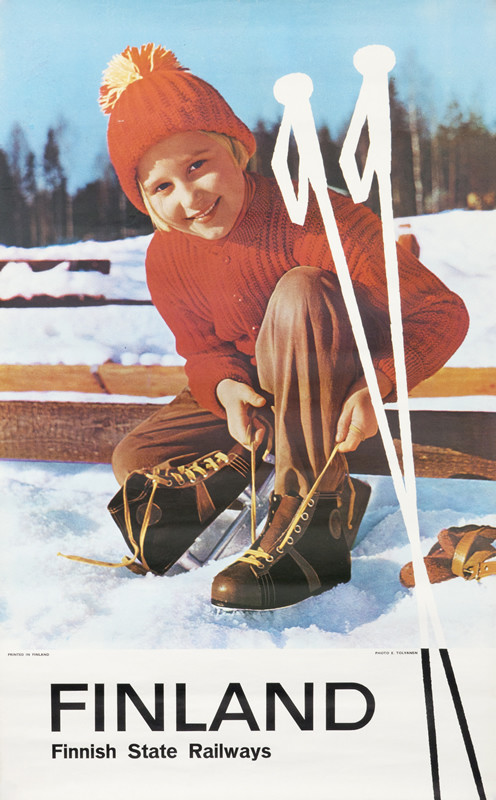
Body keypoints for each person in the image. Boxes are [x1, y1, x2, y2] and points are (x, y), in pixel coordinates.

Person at [100, 43, 469, 610]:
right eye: (162, 187)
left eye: (198, 165)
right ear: (144, 200)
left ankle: (313, 519)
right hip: (264, 394)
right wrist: (226, 388)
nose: (190, 197)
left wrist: (378, 383)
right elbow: (204, 350)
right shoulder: (166, 256)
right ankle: (258, 472)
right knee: (137, 458)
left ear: (236, 149)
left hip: (332, 381)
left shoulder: (314, 218)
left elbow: (440, 312)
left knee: (300, 289)